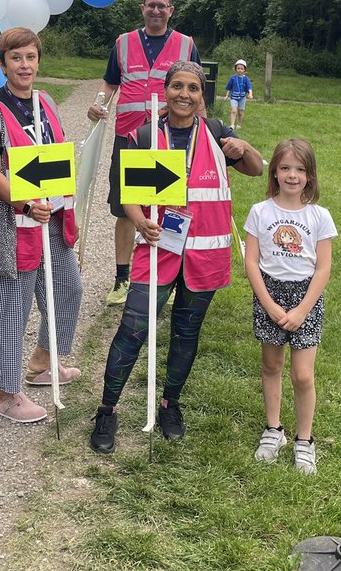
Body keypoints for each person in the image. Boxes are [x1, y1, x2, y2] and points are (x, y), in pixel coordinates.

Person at [89, 61, 262, 454]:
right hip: (159, 250)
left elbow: (255, 170)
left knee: (186, 334)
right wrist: (138, 221)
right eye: (177, 87)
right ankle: (107, 410)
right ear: (165, 90)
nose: (184, 95)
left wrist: (244, 147)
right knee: (131, 331)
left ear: (203, 96)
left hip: (205, 254)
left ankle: (170, 406)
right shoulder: (147, 135)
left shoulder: (218, 134)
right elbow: (130, 195)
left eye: (193, 89)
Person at [0, 28, 83, 424]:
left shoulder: (47, 101)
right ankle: (6, 392)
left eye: (31, 57)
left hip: (52, 218)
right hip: (12, 224)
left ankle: (42, 362)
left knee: (68, 289)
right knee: (12, 307)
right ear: (3, 64)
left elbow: (57, 157)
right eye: (16, 58)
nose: (25, 65)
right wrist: (24, 201)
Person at [86, 0, 199, 306]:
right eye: (151, 5)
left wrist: (205, 133)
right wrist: (98, 103)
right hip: (128, 140)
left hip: (169, 140)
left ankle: (167, 276)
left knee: (171, 207)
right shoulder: (123, 43)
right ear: (142, 8)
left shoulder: (185, 45)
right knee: (125, 209)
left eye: (162, 6)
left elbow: (197, 92)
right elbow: (110, 82)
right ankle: (123, 278)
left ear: (171, 10)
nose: (156, 11)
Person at [244, 138, 336, 474]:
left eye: (299, 169)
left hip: (305, 298)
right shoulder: (260, 211)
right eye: (285, 168)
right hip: (269, 295)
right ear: (274, 172)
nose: (292, 175)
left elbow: (323, 268)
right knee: (271, 365)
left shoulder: (319, 216)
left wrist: (301, 310)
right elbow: (251, 263)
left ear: (310, 176)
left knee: (302, 374)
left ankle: (304, 439)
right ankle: (274, 430)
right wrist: (268, 304)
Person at [224, 59, 254, 128]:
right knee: (234, 110)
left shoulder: (246, 79)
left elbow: (249, 87)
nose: (240, 70)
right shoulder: (232, 78)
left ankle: (239, 124)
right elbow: (229, 88)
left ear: (244, 70)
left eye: (241, 69)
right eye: (238, 68)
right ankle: (232, 125)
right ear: (235, 69)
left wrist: (250, 94)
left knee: (240, 112)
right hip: (233, 98)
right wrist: (226, 95)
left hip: (242, 98)